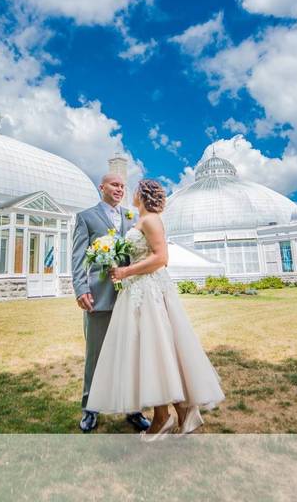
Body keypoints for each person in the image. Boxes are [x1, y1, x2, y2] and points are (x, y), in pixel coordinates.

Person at [86, 179, 225, 437]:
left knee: (155, 349)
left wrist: (126, 271)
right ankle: (181, 413)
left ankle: (164, 418)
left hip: (148, 291)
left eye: (135, 190)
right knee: (151, 352)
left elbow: (162, 258)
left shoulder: (150, 220)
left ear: (143, 194)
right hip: (136, 290)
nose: (131, 193)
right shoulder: (140, 219)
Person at [71, 173, 151, 434]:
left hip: (129, 295)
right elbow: (78, 256)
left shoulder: (131, 216)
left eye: (122, 186)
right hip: (98, 296)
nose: (119, 189)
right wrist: (81, 288)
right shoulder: (86, 217)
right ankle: (90, 409)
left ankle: (133, 408)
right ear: (101, 187)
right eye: (114, 185)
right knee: (96, 355)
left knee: (131, 353)